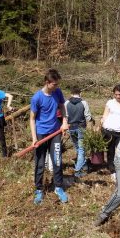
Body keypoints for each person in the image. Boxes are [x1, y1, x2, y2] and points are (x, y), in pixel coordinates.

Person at [30, 69, 69, 204]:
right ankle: (39, 189)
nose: (57, 87)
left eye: (57, 84)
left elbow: (62, 106)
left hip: (55, 132)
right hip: (41, 133)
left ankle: (58, 187)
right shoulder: (37, 97)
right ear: (47, 83)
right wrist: (34, 138)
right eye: (54, 84)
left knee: (57, 161)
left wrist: (64, 122)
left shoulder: (57, 92)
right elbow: (32, 119)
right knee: (40, 163)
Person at [65, 86, 95, 178]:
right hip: (81, 128)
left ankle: (84, 166)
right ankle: (77, 171)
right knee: (81, 149)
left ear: (71, 94)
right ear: (80, 93)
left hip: (71, 128)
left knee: (78, 148)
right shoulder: (83, 103)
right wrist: (92, 121)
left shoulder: (66, 103)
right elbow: (88, 117)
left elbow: (65, 116)